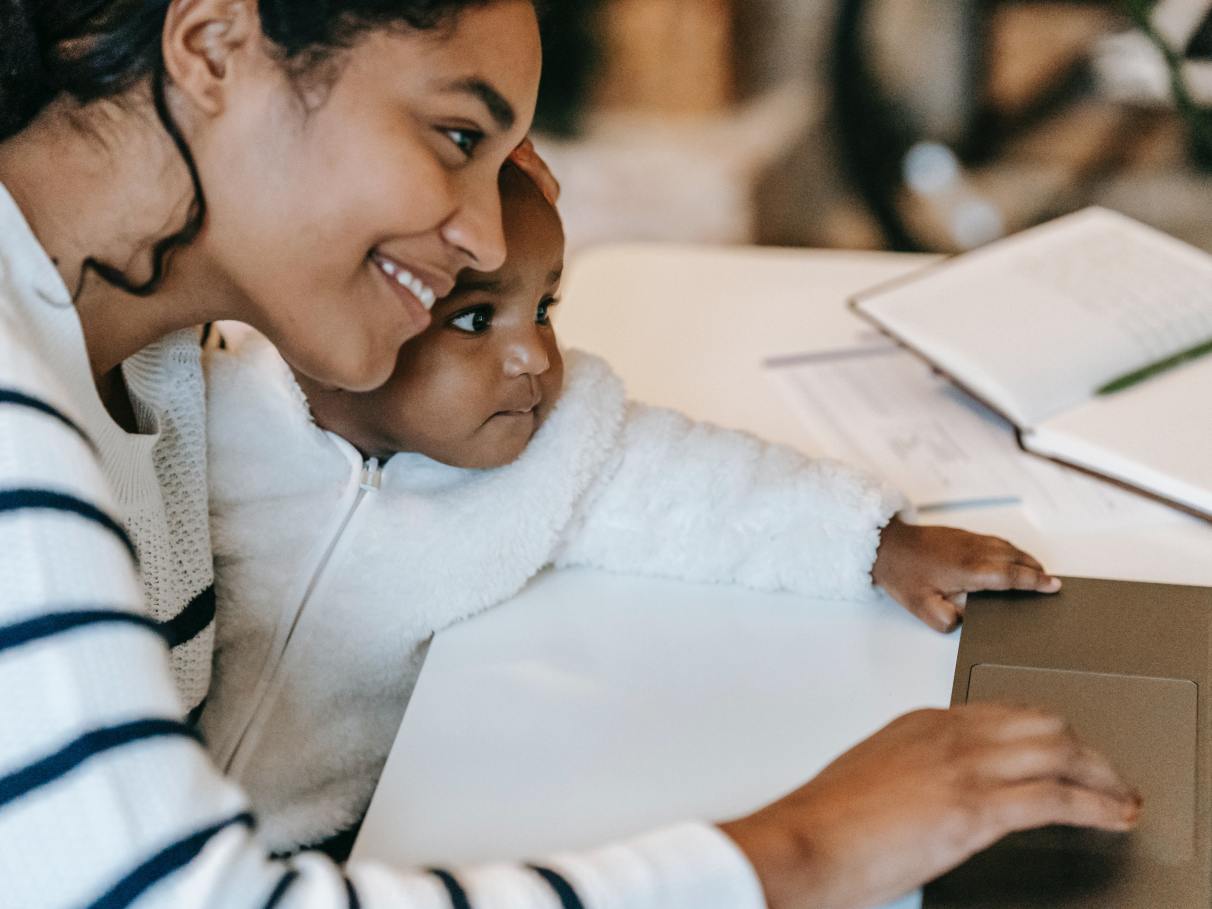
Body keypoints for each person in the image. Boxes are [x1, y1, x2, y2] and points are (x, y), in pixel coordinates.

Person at [0, 2, 1141, 908]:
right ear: (212, 47)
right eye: (455, 136)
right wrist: (803, 852)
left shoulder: (148, 369)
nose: (489, 236)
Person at [201, 161, 1076, 860]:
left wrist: (876, 542)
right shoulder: (211, 407)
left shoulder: (547, 448)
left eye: (544, 306)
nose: (533, 355)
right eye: (473, 321)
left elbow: (699, 488)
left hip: (347, 837)